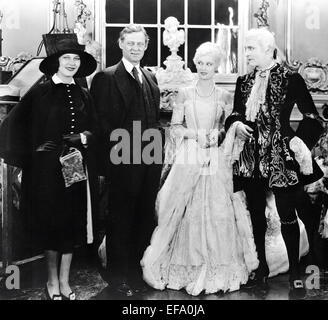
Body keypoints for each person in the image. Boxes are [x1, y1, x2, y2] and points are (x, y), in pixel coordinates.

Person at [140, 42, 259, 296]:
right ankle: (186, 266)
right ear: (195, 64)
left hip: (216, 158)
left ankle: (219, 267)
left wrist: (217, 135)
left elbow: (229, 127)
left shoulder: (225, 96)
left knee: (219, 210)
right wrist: (197, 135)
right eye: (201, 63)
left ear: (217, 66)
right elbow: (174, 128)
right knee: (183, 211)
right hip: (191, 154)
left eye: (209, 63)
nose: (204, 68)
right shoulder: (184, 93)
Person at [225, 28, 324, 299]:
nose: (245, 53)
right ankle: (262, 270)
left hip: (282, 158)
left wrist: (297, 143)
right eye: (245, 48)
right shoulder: (243, 81)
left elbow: (313, 118)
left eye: (250, 48)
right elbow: (235, 112)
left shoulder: (290, 79)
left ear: (268, 49)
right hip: (251, 159)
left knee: (287, 216)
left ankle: (295, 273)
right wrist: (235, 125)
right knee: (256, 215)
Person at [0, 37, 99, 300]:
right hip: (45, 173)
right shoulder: (39, 92)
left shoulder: (83, 93)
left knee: (72, 224)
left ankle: (65, 283)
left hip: (76, 169)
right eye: (66, 58)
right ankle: (51, 282)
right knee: (51, 225)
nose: (71, 63)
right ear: (56, 62)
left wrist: (84, 138)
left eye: (76, 59)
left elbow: (96, 128)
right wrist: (33, 154)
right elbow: (11, 126)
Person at [90, 24, 162, 297]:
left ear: (145, 46)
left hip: (150, 157)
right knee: (120, 217)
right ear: (120, 44)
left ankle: (136, 272)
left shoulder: (150, 76)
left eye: (140, 43)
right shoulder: (106, 77)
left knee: (144, 216)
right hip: (122, 157)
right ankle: (118, 276)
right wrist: (114, 164)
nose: (135, 48)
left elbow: (153, 119)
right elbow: (101, 125)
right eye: (129, 43)